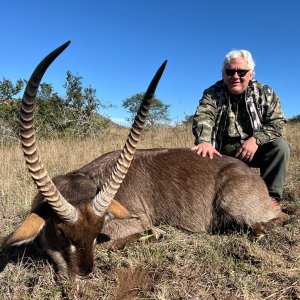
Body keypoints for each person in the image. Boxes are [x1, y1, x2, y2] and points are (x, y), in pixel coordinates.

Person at [191, 49, 290, 202]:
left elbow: (277, 123)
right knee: (197, 154)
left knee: (280, 147)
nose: (235, 77)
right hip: (221, 152)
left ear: (251, 74)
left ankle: (272, 199)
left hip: (254, 150)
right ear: (223, 74)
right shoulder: (212, 93)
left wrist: (256, 140)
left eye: (242, 72)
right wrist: (204, 142)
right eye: (230, 72)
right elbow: (204, 117)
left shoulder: (265, 92)